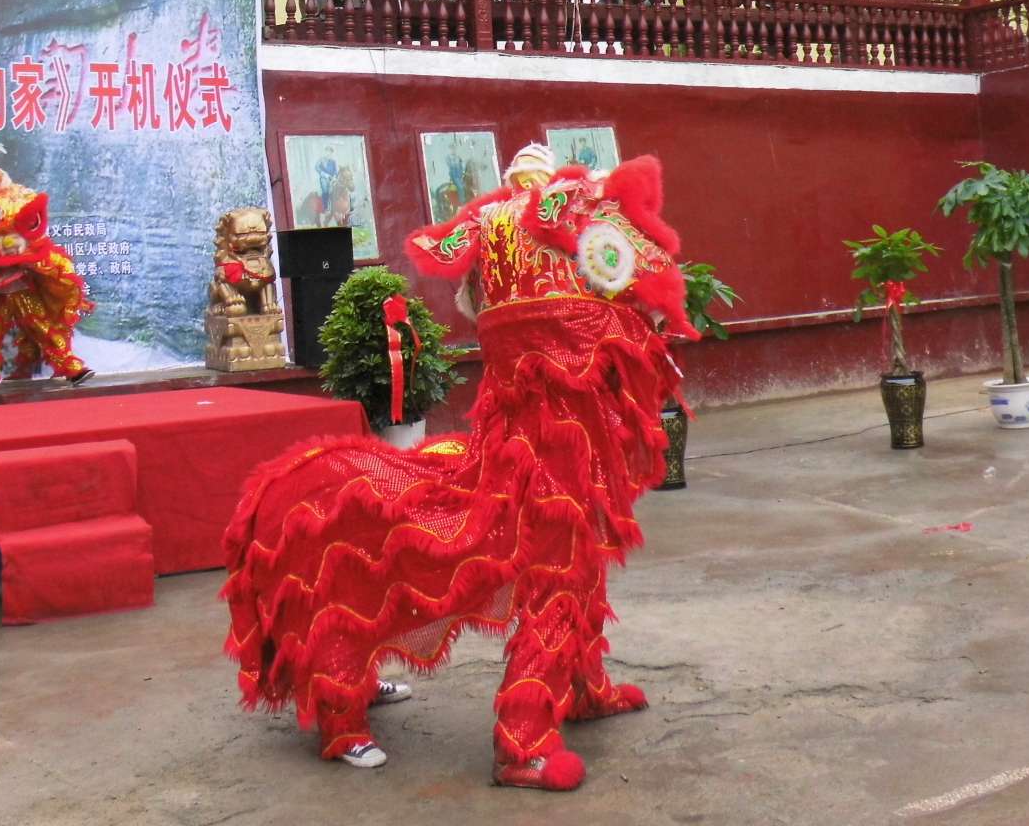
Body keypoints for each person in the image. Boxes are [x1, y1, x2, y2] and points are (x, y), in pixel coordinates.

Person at [222, 145, 697, 790]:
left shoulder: (488, 228)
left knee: (577, 561)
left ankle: (582, 687)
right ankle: (522, 744)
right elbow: (628, 298)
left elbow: (484, 313)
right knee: (556, 568)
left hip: (549, 425)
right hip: (541, 430)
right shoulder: (576, 213)